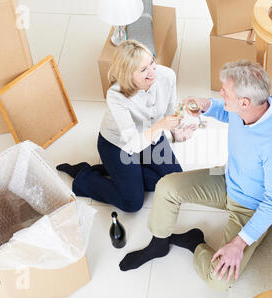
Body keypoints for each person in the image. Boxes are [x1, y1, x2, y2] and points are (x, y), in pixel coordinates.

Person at [119, 60, 272, 291]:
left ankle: (195, 243)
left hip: (251, 207)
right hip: (227, 177)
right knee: (166, 186)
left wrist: (240, 242)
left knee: (219, 281)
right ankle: (159, 243)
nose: (220, 93)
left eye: (225, 92)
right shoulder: (251, 106)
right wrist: (207, 106)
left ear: (244, 102)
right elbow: (227, 112)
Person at [56, 40, 196, 212]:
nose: (153, 72)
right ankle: (85, 178)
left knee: (174, 180)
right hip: (119, 143)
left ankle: (116, 170)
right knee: (133, 203)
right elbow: (132, 144)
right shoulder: (116, 95)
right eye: (144, 70)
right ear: (128, 75)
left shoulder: (167, 76)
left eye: (152, 62)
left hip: (151, 134)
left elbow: (169, 112)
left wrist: (176, 132)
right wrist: (160, 126)